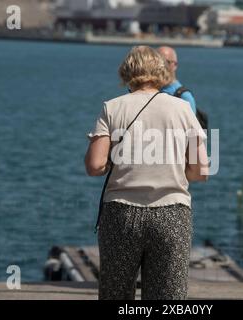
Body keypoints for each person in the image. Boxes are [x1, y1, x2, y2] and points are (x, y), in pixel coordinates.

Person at [84, 46, 208, 300]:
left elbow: (95, 166)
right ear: (161, 72)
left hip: (121, 214)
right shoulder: (183, 109)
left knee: (116, 296)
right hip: (172, 214)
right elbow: (200, 170)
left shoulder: (112, 107)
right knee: (168, 298)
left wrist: (114, 162)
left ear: (126, 72)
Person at [157, 46, 197, 114]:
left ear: (175, 65)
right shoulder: (151, 90)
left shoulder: (184, 96)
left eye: (166, 62)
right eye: (157, 62)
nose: (161, 66)